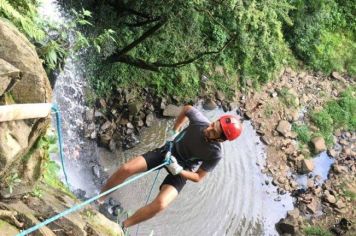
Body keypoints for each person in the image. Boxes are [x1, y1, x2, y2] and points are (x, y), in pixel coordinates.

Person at [98, 105, 242, 229]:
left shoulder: (215, 154)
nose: (209, 129)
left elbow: (198, 177)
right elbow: (187, 108)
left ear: (221, 140)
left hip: (183, 169)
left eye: (213, 132)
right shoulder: (200, 121)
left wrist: (179, 170)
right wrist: (175, 131)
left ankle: (122, 226)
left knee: (161, 204)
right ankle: (100, 198)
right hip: (168, 151)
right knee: (126, 169)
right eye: (213, 124)